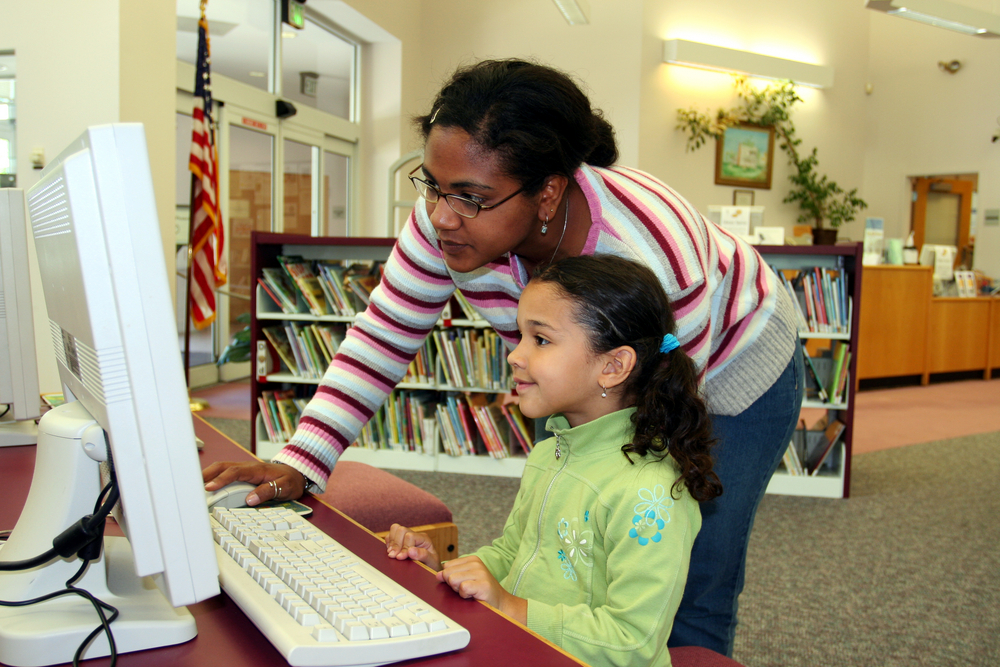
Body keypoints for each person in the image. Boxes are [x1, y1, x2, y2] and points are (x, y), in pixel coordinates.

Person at [203, 58, 804, 656]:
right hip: (579, 373)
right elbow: (384, 334)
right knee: (553, 540)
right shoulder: (447, 220)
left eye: (470, 197)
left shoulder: (650, 250)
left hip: (726, 362)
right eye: (433, 185)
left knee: (691, 568)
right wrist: (302, 463)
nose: (441, 215)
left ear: (547, 192)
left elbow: (664, 405)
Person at [386, 255, 722, 667]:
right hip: (524, 648)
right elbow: (514, 554)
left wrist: (513, 608)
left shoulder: (649, 493)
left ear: (613, 366)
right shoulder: (550, 451)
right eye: (520, 335)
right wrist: (447, 568)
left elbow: (632, 641)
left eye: (540, 339)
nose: (515, 355)